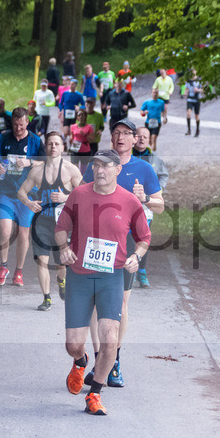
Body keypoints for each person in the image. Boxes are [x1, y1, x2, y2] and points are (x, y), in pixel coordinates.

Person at [57, 148, 150, 416]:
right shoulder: (78, 195)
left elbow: (144, 237)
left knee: (109, 341)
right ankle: (80, 360)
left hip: (111, 277)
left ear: (117, 169)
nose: (100, 170)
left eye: (106, 166)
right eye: (96, 165)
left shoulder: (130, 201)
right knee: (73, 344)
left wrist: (136, 256)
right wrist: (64, 248)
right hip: (80, 276)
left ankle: (95, 393)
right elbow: (61, 227)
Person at [81, 120, 164, 389]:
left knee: (120, 305)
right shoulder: (98, 164)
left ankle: (113, 359)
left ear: (134, 139)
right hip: (96, 242)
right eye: (115, 133)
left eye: (125, 134)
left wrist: (145, 198)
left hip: (126, 243)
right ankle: (99, 358)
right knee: (94, 303)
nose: (119, 137)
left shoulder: (144, 168)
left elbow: (161, 205)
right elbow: (80, 196)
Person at [17, 131, 83, 311]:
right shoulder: (37, 171)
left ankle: (61, 281)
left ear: (62, 147)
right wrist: (29, 202)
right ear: (45, 147)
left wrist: (65, 197)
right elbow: (21, 192)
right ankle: (46, 298)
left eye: (56, 144)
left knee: (62, 263)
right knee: (42, 260)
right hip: (42, 223)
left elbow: (85, 196)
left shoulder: (71, 170)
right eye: (50, 144)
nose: (53, 147)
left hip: (63, 224)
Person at [0, 106, 44, 287]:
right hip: (6, 192)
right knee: (4, 230)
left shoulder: (35, 141)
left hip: (28, 194)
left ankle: (18, 271)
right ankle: (3, 266)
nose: (18, 129)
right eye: (15, 124)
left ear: (27, 122)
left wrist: (30, 162)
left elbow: (45, 162)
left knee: (23, 233)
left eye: (21, 125)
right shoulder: (3, 137)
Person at [130, 126, 168, 288]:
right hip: (127, 204)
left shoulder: (155, 159)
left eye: (145, 136)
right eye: (139, 136)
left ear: (149, 139)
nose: (142, 139)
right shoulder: (126, 156)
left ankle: (142, 271)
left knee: (143, 239)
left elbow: (164, 175)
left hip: (146, 205)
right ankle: (125, 269)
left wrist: (156, 191)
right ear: (134, 138)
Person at [185, 70, 204, 137]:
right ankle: (189, 130)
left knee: (196, 116)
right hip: (190, 99)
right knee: (188, 113)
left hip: (197, 99)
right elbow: (186, 88)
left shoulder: (199, 81)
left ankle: (197, 130)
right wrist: (185, 92)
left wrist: (198, 90)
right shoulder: (188, 81)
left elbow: (203, 89)